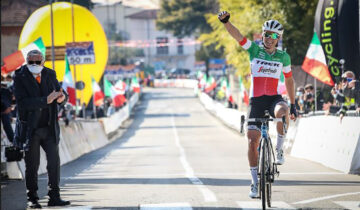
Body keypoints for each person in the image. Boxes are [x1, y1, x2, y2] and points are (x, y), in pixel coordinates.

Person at [218, 11, 297, 198]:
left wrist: (293, 104)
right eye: (267, 34)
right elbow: (238, 36)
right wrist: (226, 22)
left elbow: (289, 81)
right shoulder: (254, 50)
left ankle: (279, 149)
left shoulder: (283, 57)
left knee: (282, 111)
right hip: (256, 101)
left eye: (274, 35)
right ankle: (254, 183)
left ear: (279, 38)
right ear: (263, 35)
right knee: (252, 141)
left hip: (273, 98)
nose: (270, 38)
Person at [13, 50, 71, 208]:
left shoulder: (50, 74)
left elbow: (61, 92)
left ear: (43, 62)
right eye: (31, 62)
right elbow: (22, 103)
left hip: (49, 127)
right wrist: (45, 100)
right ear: (26, 61)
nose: (34, 65)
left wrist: (62, 98)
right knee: (32, 165)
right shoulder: (19, 76)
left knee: (54, 163)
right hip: (30, 129)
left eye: (37, 62)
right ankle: (32, 198)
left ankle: (54, 196)